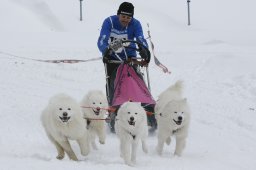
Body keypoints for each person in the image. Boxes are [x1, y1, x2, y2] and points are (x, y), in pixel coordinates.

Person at [97, 2, 156, 133]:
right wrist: (105, 50)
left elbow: (140, 38)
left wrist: (144, 50)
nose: (126, 20)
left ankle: (147, 110)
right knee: (114, 84)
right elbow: (102, 39)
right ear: (119, 14)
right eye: (123, 16)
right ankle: (115, 110)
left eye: (128, 18)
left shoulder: (135, 24)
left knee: (137, 82)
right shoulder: (109, 22)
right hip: (112, 59)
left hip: (130, 59)